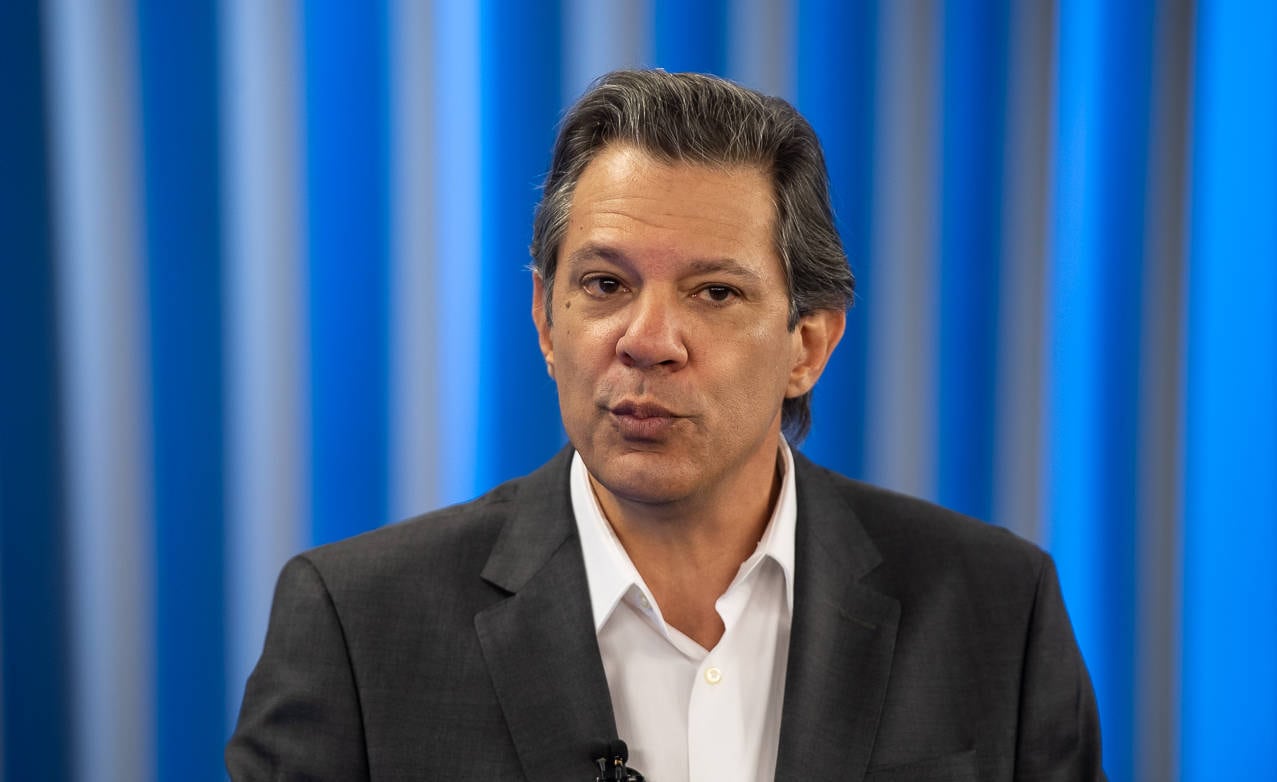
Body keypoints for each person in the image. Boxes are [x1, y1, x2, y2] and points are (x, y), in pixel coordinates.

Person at [227, 69, 1105, 781]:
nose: (647, 341)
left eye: (714, 293)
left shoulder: (996, 608)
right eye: (605, 285)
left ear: (807, 344)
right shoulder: (357, 624)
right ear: (545, 320)